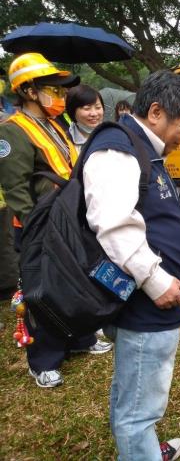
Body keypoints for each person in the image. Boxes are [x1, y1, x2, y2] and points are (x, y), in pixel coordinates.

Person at [82, 69, 180, 461]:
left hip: (151, 309)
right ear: (155, 112)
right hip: (145, 308)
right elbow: (114, 225)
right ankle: (141, 449)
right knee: (136, 411)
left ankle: (144, 449)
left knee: (135, 395)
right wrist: (156, 281)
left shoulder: (140, 146)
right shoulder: (118, 150)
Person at [0, 53, 112, 388]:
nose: (61, 97)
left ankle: (80, 338)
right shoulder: (12, 133)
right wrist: (38, 225)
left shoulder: (52, 125)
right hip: (39, 227)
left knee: (73, 283)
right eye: (54, 89)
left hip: (65, 220)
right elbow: (16, 187)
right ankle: (44, 360)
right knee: (44, 291)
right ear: (30, 91)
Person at [65, 84, 105, 152]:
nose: (94, 114)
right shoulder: (64, 142)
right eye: (87, 108)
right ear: (72, 111)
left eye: (98, 107)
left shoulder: (114, 136)